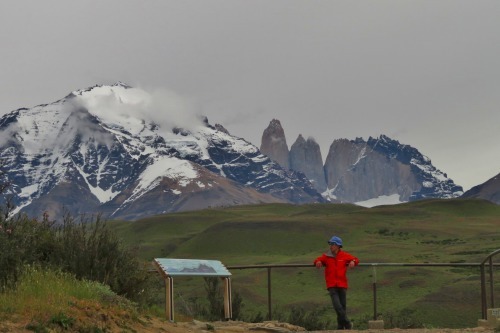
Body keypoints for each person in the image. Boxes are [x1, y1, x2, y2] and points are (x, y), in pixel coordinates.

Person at [314, 235, 359, 330]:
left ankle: (340, 327)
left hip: (342, 284)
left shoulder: (344, 255)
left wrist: (353, 262)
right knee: (338, 306)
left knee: (342, 307)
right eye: (330, 244)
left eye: (333, 244)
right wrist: (317, 262)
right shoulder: (326, 256)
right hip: (332, 285)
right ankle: (348, 324)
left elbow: (355, 259)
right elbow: (317, 260)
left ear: (338, 246)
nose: (330, 246)